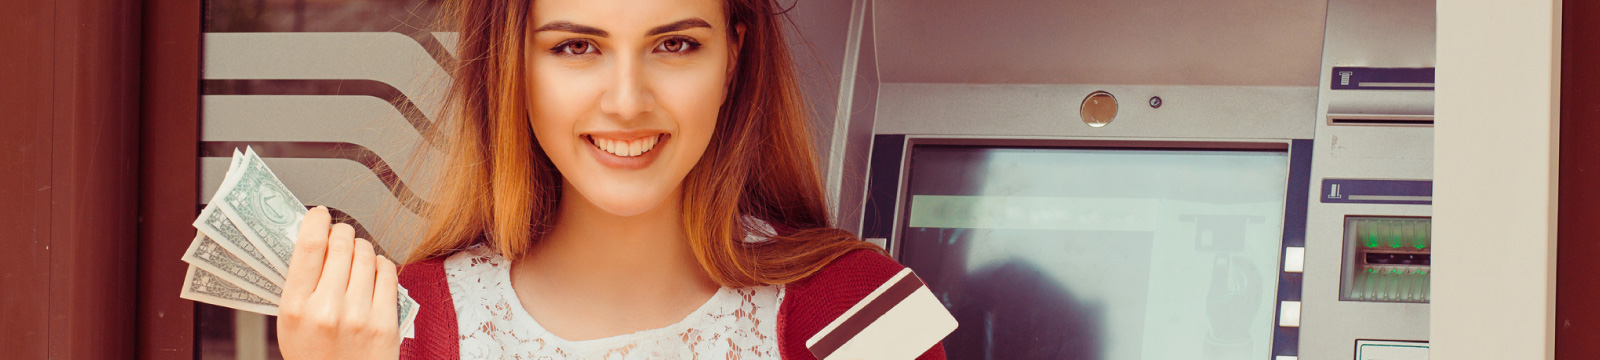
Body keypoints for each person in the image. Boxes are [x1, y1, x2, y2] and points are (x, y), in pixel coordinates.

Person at [272, 0, 948, 358]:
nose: (627, 100)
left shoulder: (863, 310)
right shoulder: (398, 325)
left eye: (675, 44)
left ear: (732, 59)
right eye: (577, 46)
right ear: (515, 65)